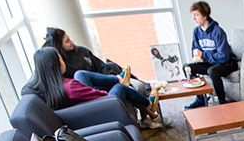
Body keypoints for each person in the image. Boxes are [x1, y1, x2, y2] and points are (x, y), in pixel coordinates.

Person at [23, 48, 159, 123]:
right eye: (60, 59)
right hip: (101, 110)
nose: (63, 61)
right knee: (119, 89)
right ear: (55, 65)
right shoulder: (70, 87)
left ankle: (117, 78)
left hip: (81, 111)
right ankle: (147, 104)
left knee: (80, 74)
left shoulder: (40, 87)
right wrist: (100, 89)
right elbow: (102, 96)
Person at [43, 27, 150, 97]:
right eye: (66, 41)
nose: (71, 42)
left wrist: (111, 77)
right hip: (94, 90)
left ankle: (147, 116)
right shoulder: (63, 68)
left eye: (69, 39)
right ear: (59, 45)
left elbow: (100, 65)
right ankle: (148, 109)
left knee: (139, 86)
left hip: (106, 79)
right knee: (123, 87)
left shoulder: (81, 51)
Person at [184, 1, 238, 109]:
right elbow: (195, 50)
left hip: (227, 63)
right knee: (188, 67)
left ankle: (222, 101)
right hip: (210, 62)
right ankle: (200, 99)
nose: (194, 18)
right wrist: (196, 56)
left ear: (205, 15)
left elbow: (223, 56)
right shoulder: (196, 31)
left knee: (212, 71)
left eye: (197, 15)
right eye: (193, 15)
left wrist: (203, 55)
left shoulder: (218, 31)